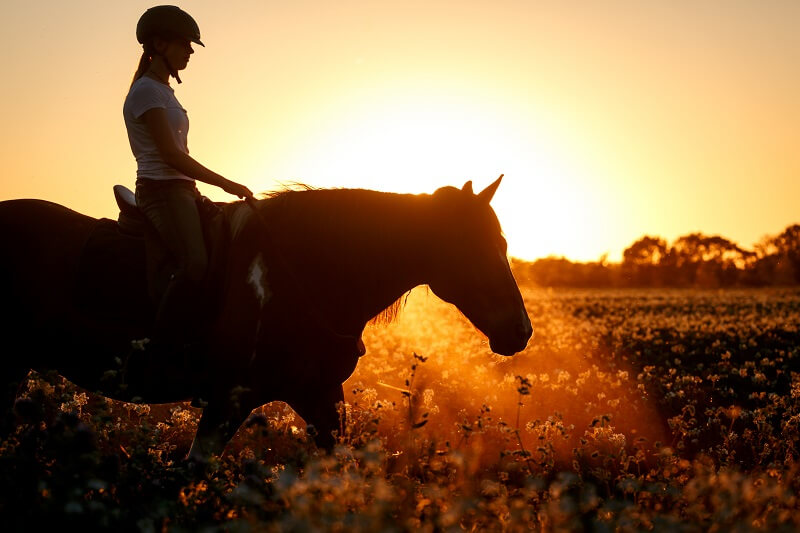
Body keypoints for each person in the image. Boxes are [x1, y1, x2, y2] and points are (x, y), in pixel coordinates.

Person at [123, 5, 253, 355]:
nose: (191, 51)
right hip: (161, 189)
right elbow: (171, 155)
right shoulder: (147, 92)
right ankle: (158, 348)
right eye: (185, 44)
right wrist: (227, 184)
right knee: (195, 263)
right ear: (160, 44)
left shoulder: (165, 92)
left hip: (182, 188)